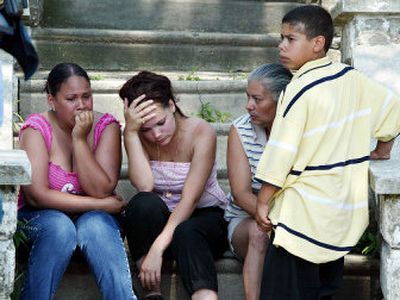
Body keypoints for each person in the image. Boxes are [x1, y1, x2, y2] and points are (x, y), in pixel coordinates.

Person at [254, 5, 400, 300]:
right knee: (323, 292)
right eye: (281, 39)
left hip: (300, 217)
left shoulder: (299, 89)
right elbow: (391, 108)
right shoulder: (352, 78)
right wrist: (384, 148)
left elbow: (281, 152)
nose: (281, 47)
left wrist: (263, 199)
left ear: (318, 44)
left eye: (290, 39)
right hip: (338, 216)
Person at [17, 63, 136, 300]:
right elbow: (36, 195)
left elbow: (101, 189)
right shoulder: (36, 129)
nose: (81, 105)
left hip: (92, 222)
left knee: (97, 227)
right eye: (71, 98)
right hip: (41, 220)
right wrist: (101, 205)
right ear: (51, 100)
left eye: (87, 96)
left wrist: (80, 140)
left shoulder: (107, 127)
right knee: (60, 227)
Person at [120, 71, 228, 300]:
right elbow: (145, 185)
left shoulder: (201, 132)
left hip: (204, 220)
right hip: (160, 221)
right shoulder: (136, 134)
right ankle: (153, 292)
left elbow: (190, 200)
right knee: (141, 204)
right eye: (146, 129)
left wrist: (157, 249)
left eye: (160, 122)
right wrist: (130, 132)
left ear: (171, 105)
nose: (156, 134)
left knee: (187, 232)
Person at [224, 63, 292, 300]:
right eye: (247, 97)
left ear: (281, 100)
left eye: (257, 99)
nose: (248, 105)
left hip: (293, 218)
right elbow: (241, 193)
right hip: (247, 219)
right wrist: (275, 222)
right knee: (259, 233)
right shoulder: (241, 129)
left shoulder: (299, 129)